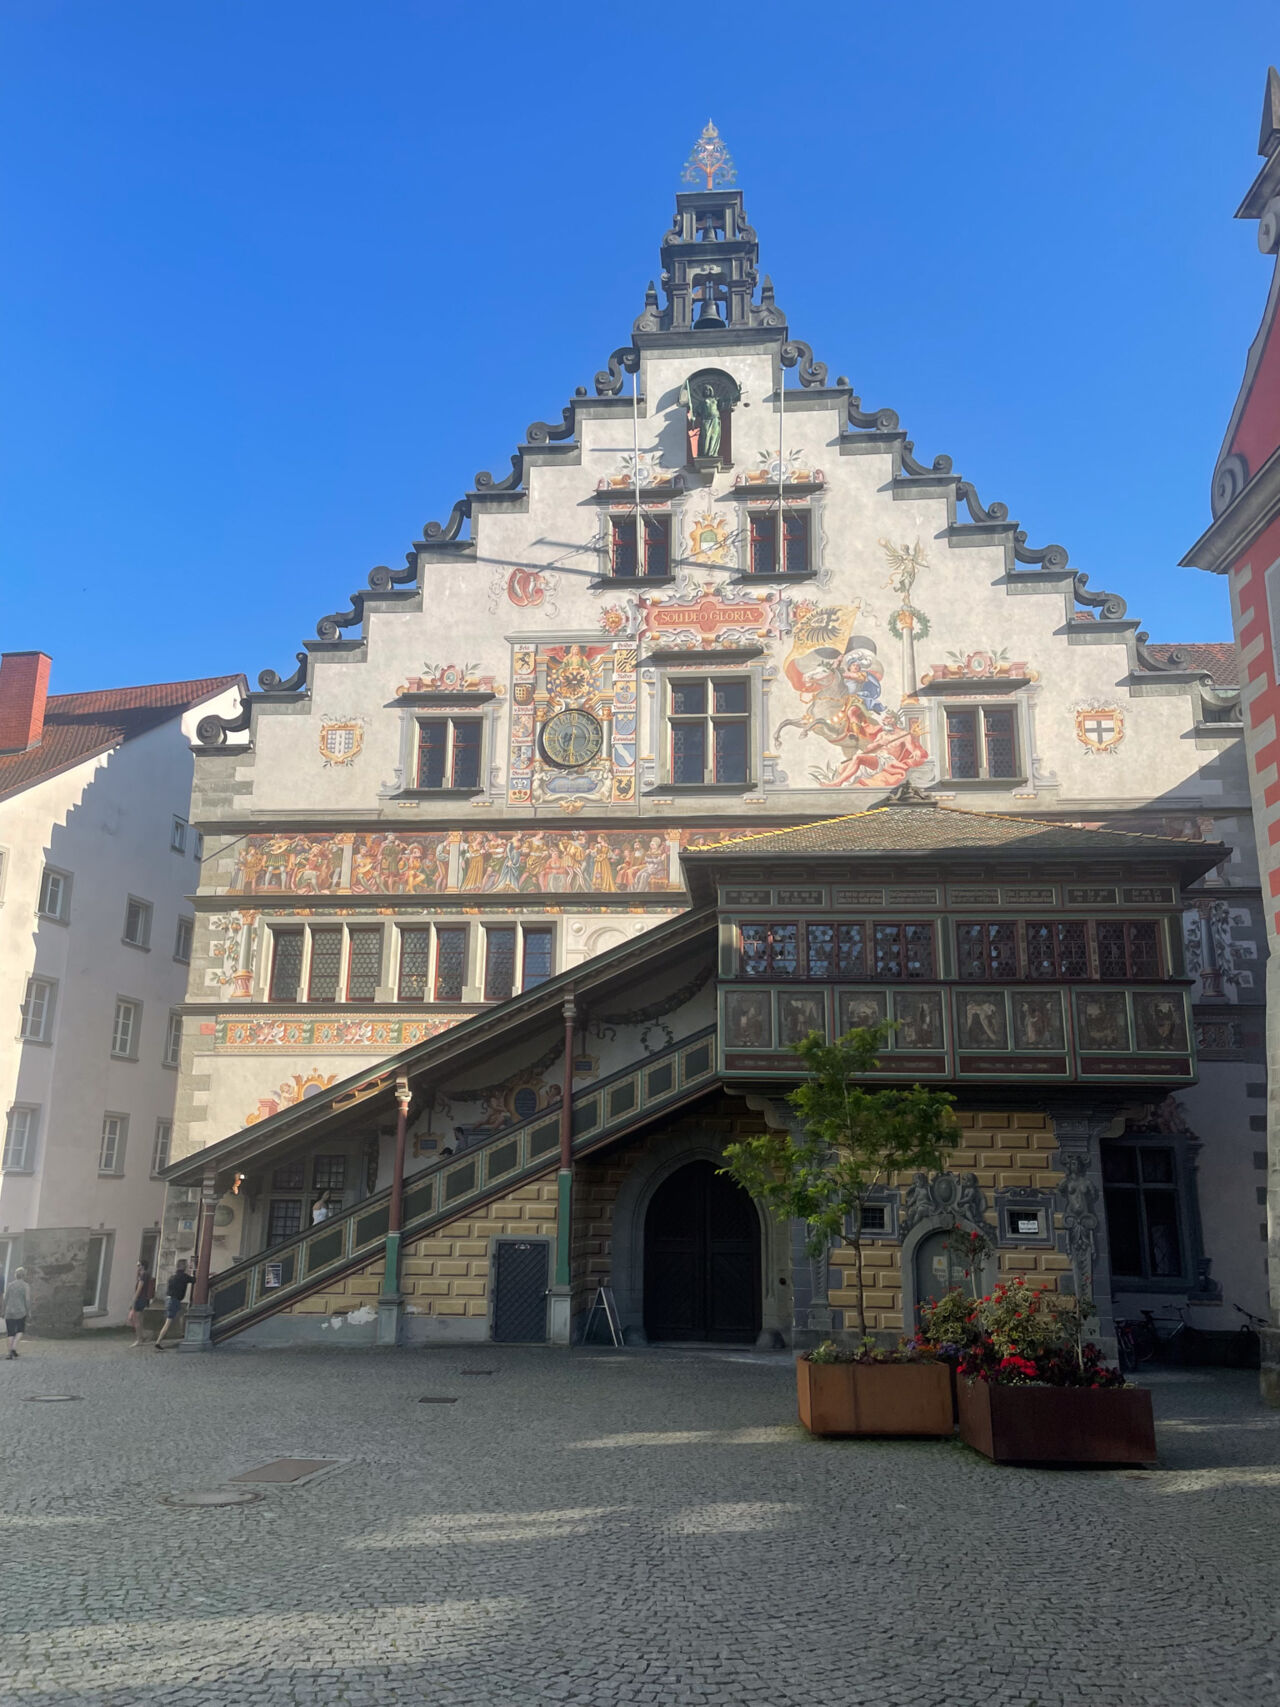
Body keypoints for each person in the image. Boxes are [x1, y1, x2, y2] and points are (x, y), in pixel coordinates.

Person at [153, 1260, 193, 1350]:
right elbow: (194, 1280)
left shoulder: (172, 1277)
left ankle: (183, 1332)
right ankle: (158, 1342)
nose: (187, 1267)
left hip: (169, 1299)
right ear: (183, 1267)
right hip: (174, 1301)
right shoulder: (183, 1276)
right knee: (168, 1322)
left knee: (183, 1314)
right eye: (186, 1265)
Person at [3, 1267, 31, 1360]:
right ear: (24, 1275)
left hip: (9, 1312)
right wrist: (28, 1311)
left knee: (10, 1333)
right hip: (20, 1311)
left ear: (15, 1275)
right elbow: (27, 1300)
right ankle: (14, 1348)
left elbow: (5, 1299)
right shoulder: (26, 1286)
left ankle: (9, 1353)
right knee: (20, 1330)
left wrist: (3, 1310)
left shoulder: (10, 1285)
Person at [127, 1263, 154, 1347]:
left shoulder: (143, 1276)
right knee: (139, 1319)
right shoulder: (146, 1275)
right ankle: (144, 1335)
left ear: (142, 1266)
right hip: (144, 1299)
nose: (137, 1267)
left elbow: (139, 1289)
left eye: (138, 1265)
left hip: (139, 1299)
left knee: (136, 1320)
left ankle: (139, 1339)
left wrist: (133, 1300)